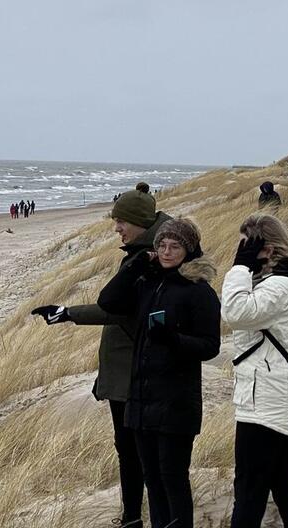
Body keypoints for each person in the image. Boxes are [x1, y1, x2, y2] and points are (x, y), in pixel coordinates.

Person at [30, 186, 170, 527]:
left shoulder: (149, 258)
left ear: (140, 221)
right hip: (125, 370)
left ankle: (135, 517)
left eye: (121, 222)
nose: (116, 228)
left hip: (134, 373)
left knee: (136, 451)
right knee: (133, 450)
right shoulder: (145, 251)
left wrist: (67, 313)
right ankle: (134, 515)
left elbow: (117, 308)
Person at [97, 218, 220, 528]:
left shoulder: (199, 291)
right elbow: (108, 301)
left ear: (189, 250)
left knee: (172, 479)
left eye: (174, 246)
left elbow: (210, 346)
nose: (166, 252)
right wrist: (136, 265)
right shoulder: (148, 283)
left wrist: (173, 339)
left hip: (176, 401)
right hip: (141, 399)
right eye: (161, 245)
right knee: (151, 478)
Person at [222, 214, 288, 527]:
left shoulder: (281, 286)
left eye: (247, 245)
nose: (242, 251)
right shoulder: (286, 281)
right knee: (286, 489)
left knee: (250, 493)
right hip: (278, 400)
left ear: (268, 249)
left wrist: (240, 267)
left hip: (267, 405)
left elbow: (235, 312)